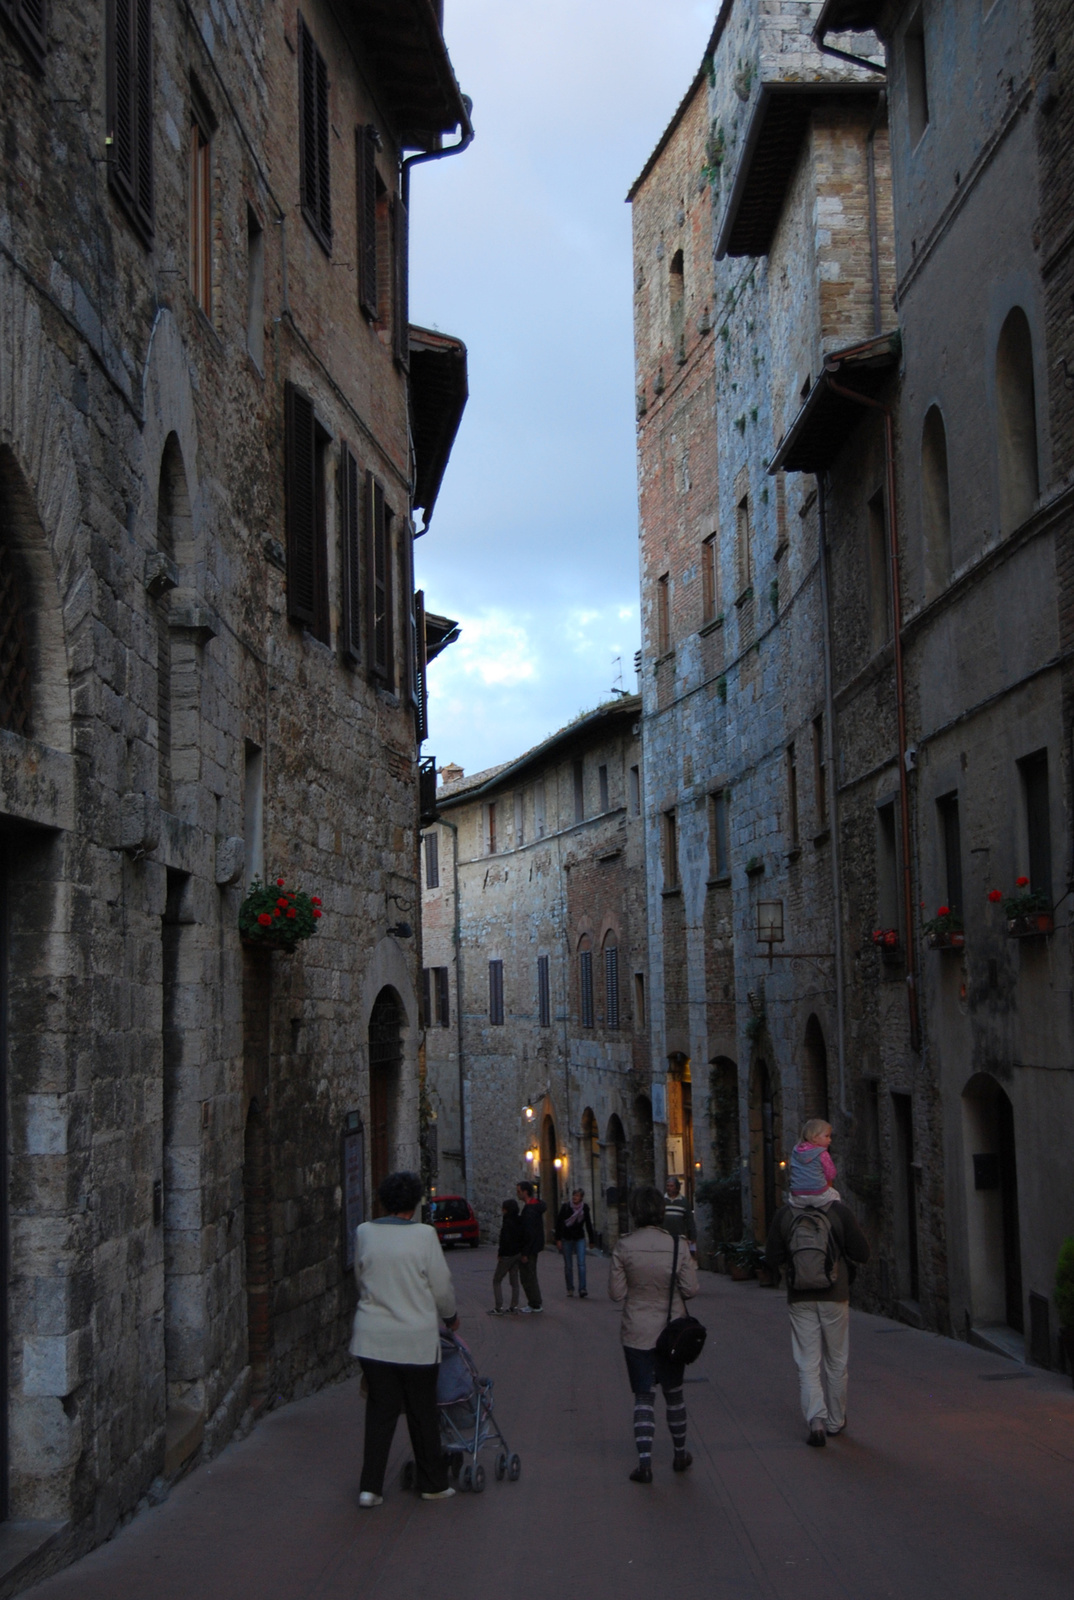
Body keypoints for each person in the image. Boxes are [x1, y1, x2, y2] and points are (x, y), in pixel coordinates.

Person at [350, 1170, 458, 1506]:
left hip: (373, 1339)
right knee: (422, 1412)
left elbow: (361, 1277)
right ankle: (433, 1483)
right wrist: (451, 1317)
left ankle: (370, 1488)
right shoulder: (425, 1236)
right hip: (415, 1341)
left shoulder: (364, 1232)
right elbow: (441, 1286)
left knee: (380, 1412)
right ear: (413, 1204)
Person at [764, 1179, 870, 1447]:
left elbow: (772, 1258)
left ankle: (816, 1421)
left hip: (800, 1297)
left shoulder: (785, 1214)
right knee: (836, 1359)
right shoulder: (838, 1211)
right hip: (836, 1295)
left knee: (807, 1362)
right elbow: (862, 1252)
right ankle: (836, 1420)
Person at [609, 1185, 699, 1483]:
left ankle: (645, 1463)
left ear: (635, 1212)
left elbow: (616, 1293)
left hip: (637, 1329)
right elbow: (690, 1289)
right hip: (671, 1329)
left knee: (643, 1396)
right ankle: (680, 1453)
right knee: (674, 1393)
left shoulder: (624, 1246)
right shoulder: (677, 1244)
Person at [554, 1188, 597, 1297]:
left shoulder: (584, 1208)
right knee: (568, 1265)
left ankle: (582, 1288)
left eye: (577, 1196)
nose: (575, 1198)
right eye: (574, 1195)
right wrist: (558, 1239)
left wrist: (591, 1240)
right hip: (567, 1238)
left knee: (581, 1264)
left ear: (581, 1197)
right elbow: (559, 1223)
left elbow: (588, 1223)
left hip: (579, 1238)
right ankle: (570, 1288)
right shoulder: (566, 1207)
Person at [516, 1180, 547, 1313]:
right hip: (533, 1247)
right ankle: (534, 1302)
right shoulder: (534, 1208)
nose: (517, 1194)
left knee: (528, 1276)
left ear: (525, 1192)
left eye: (519, 1191)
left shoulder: (530, 1211)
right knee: (529, 1275)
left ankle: (535, 1303)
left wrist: (525, 1252)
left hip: (530, 1249)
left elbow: (529, 1233)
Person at [489, 1198, 524, 1315]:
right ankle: (514, 1305)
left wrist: (500, 1253)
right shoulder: (519, 1220)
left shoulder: (507, 1222)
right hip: (517, 1253)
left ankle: (498, 1307)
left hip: (507, 1254)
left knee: (497, 1280)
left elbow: (504, 1240)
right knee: (514, 1280)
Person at [663, 1176, 697, 1250]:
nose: (669, 1188)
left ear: (677, 1187)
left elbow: (689, 1221)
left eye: (671, 1186)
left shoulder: (684, 1202)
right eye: (667, 1186)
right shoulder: (661, 1201)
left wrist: (692, 1238)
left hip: (679, 1238)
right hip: (664, 1238)